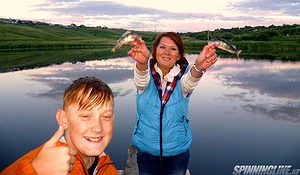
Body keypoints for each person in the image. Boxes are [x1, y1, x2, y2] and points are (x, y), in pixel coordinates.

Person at [128, 32, 218, 175]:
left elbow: (190, 82)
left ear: (180, 54)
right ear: (155, 50)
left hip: (177, 150)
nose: (167, 52)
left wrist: (199, 67)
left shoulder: (185, 75)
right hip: (146, 149)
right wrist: (142, 62)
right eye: (162, 47)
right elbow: (141, 80)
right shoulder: (145, 73)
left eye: (173, 49)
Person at [1, 76, 118, 175]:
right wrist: (34, 170)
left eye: (106, 116)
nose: (98, 128)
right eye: (85, 116)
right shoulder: (41, 162)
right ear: (64, 120)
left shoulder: (106, 165)